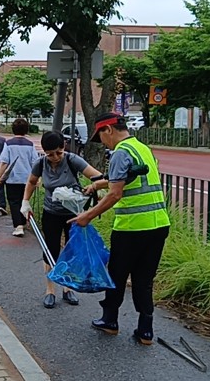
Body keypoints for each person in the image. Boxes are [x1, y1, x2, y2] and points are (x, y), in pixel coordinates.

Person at [69, 113, 170, 345]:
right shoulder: (142, 148)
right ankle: (146, 331)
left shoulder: (120, 152)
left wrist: (87, 216)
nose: (102, 142)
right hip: (158, 225)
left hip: (131, 228)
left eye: (101, 136)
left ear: (109, 130)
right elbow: (129, 178)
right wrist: (98, 183)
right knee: (144, 279)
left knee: (116, 274)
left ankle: (110, 320)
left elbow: (116, 193)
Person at [22, 130, 104, 309]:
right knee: (50, 250)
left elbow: (99, 177)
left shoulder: (72, 160)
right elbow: (31, 182)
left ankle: (67, 288)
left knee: (71, 249)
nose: (55, 157)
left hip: (73, 214)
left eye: (58, 152)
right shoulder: (41, 163)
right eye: (50, 154)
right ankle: (50, 290)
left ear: (63, 147)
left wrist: (94, 186)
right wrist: (25, 202)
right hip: (51, 212)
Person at [0, 118, 39, 237]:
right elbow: (35, 162)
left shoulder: (8, 144)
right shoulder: (30, 145)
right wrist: (37, 179)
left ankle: (18, 226)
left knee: (14, 202)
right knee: (24, 200)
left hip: (12, 178)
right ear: (26, 130)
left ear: (13, 130)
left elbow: (4, 161)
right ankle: (23, 222)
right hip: (28, 179)